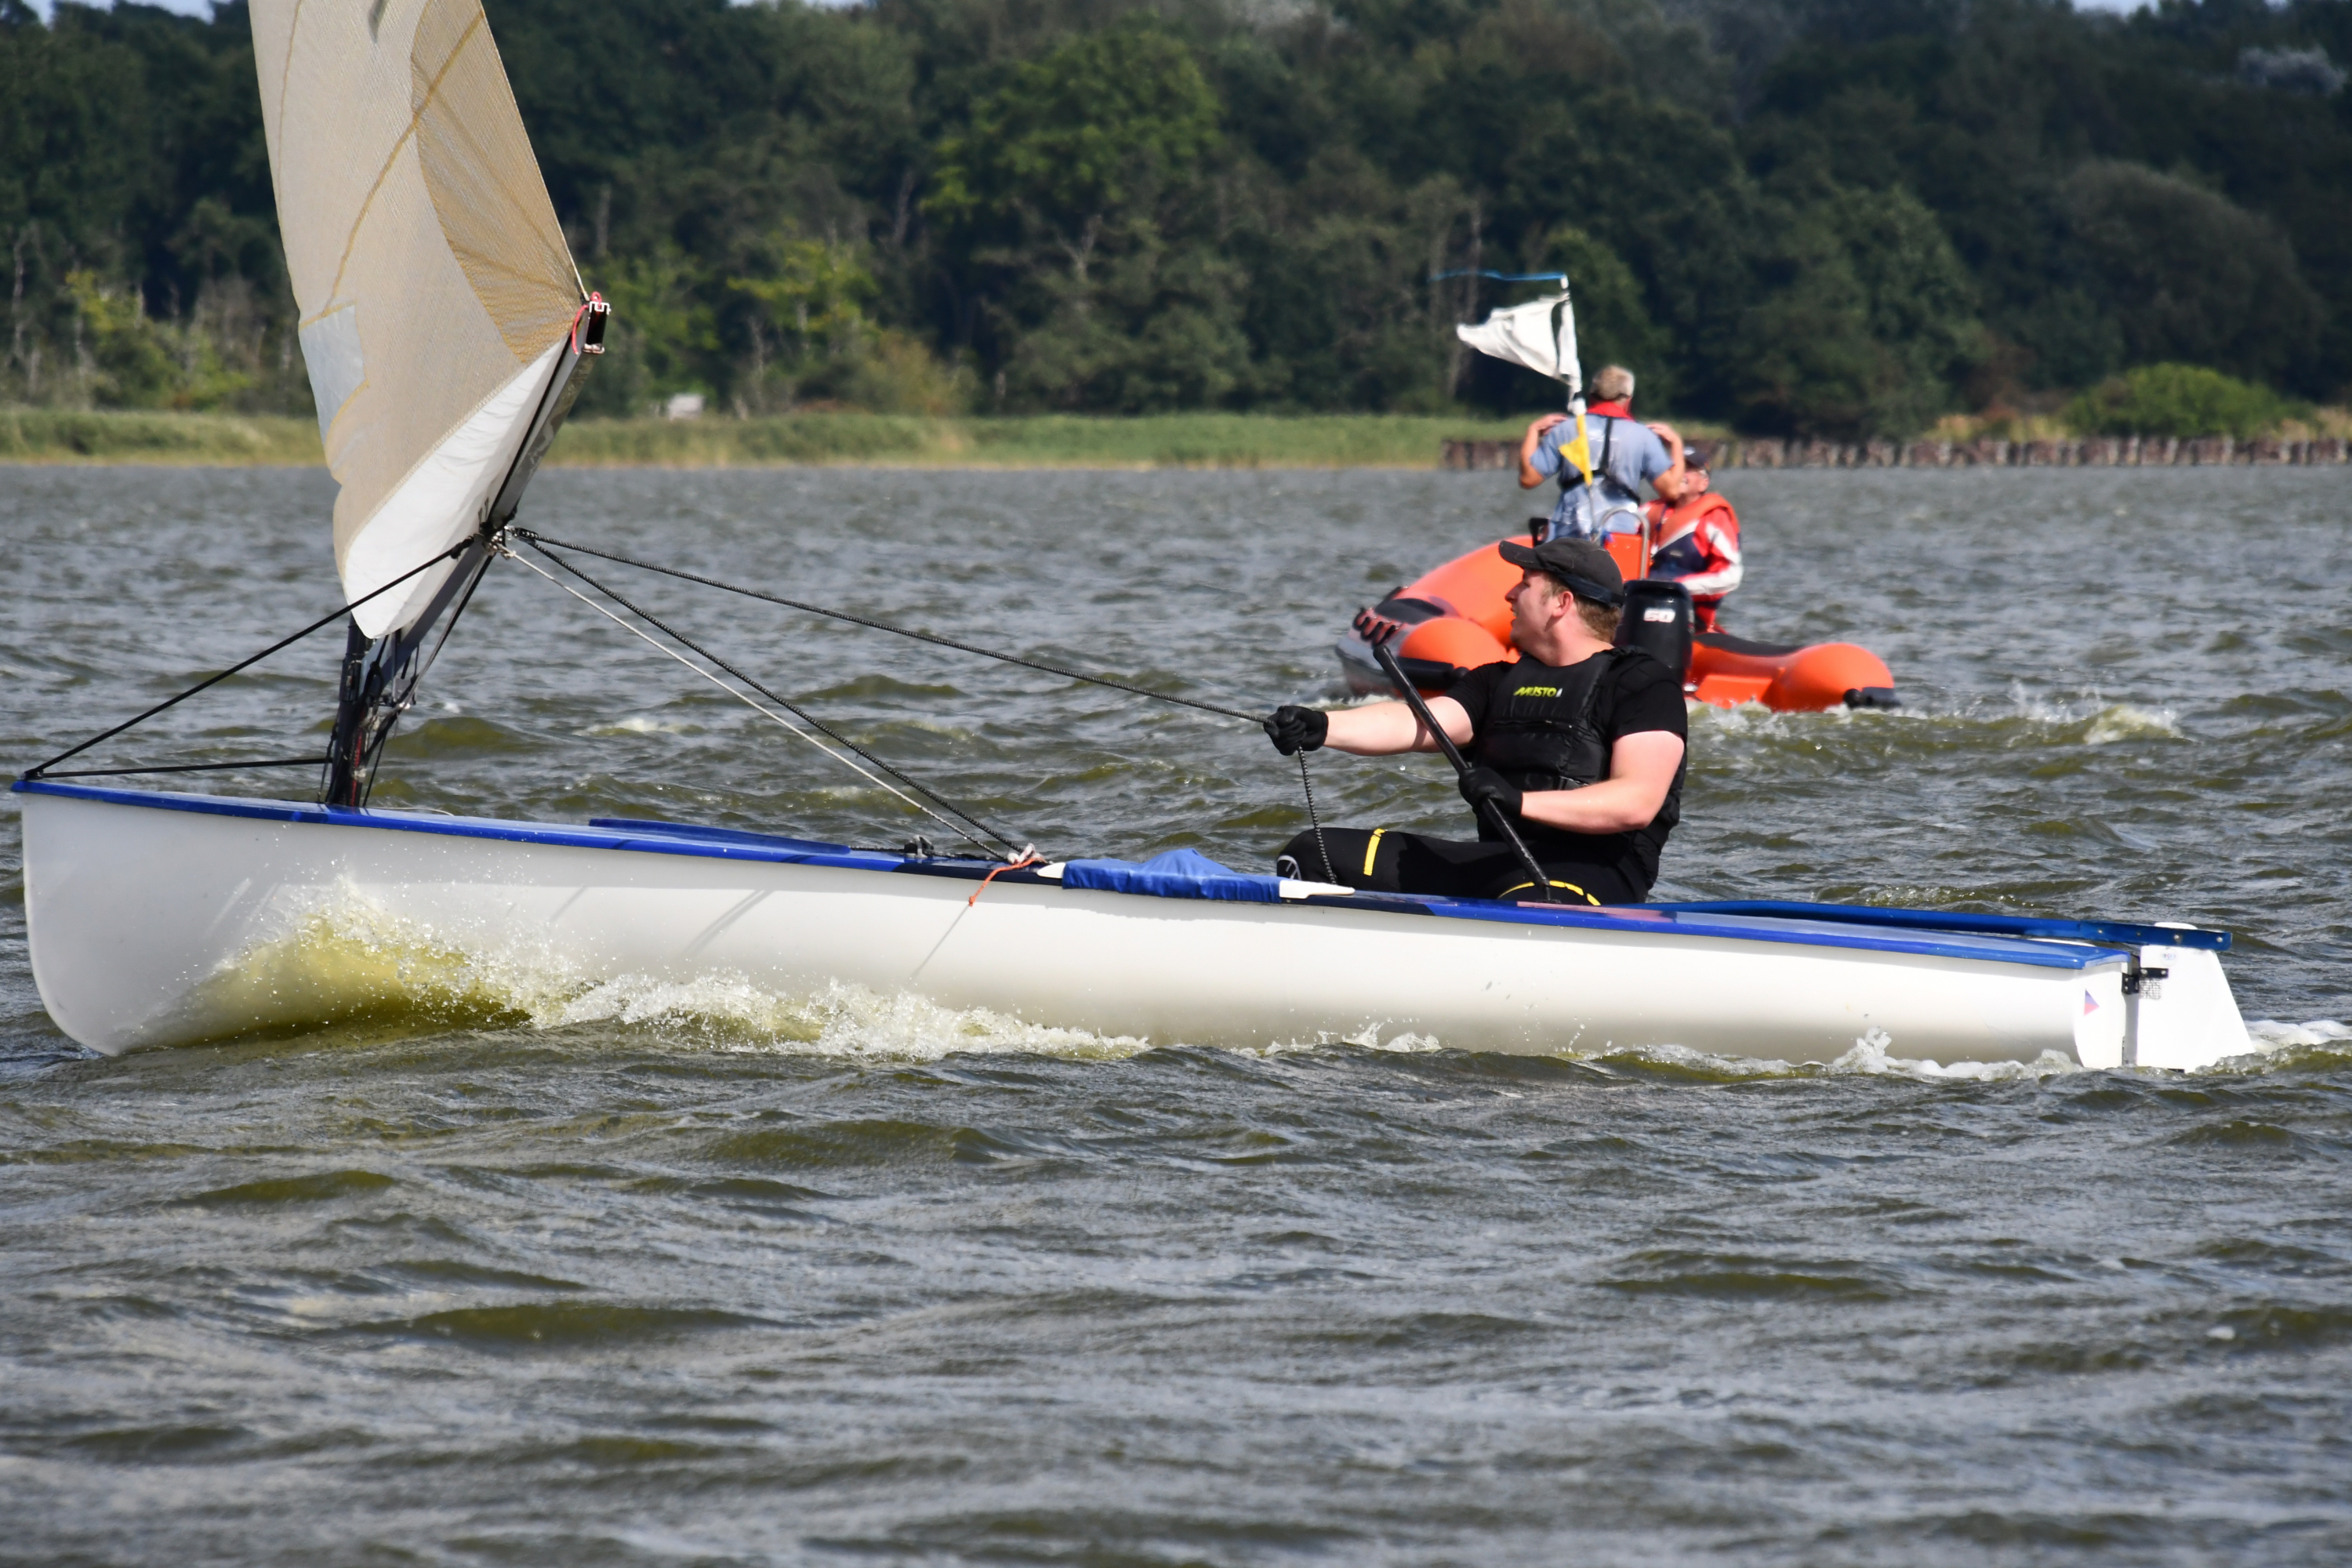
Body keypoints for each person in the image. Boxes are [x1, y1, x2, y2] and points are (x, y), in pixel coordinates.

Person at [1264, 538, 1686, 906]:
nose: (1510, 594)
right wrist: (1323, 726)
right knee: (1312, 854)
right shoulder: (1496, 681)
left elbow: (1636, 801)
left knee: (1533, 903)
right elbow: (1419, 722)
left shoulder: (1643, 684)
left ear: (1562, 603)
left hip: (1593, 873)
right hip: (1500, 863)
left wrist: (1518, 801)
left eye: (1525, 584)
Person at [1518, 364, 1684, 543]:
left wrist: (1533, 431)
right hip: (1620, 536)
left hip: (1570, 533)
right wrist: (1676, 444)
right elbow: (1672, 491)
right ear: (1628, 400)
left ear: (1591, 396)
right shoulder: (1644, 437)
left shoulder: (1566, 430)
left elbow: (1528, 479)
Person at [1642, 442, 1743, 632]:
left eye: (1688, 469)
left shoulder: (1715, 518)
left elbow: (1730, 576)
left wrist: (1678, 587)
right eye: (1676, 467)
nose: (1681, 473)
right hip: (1640, 607)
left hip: (1689, 617)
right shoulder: (1648, 511)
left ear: (1704, 482)